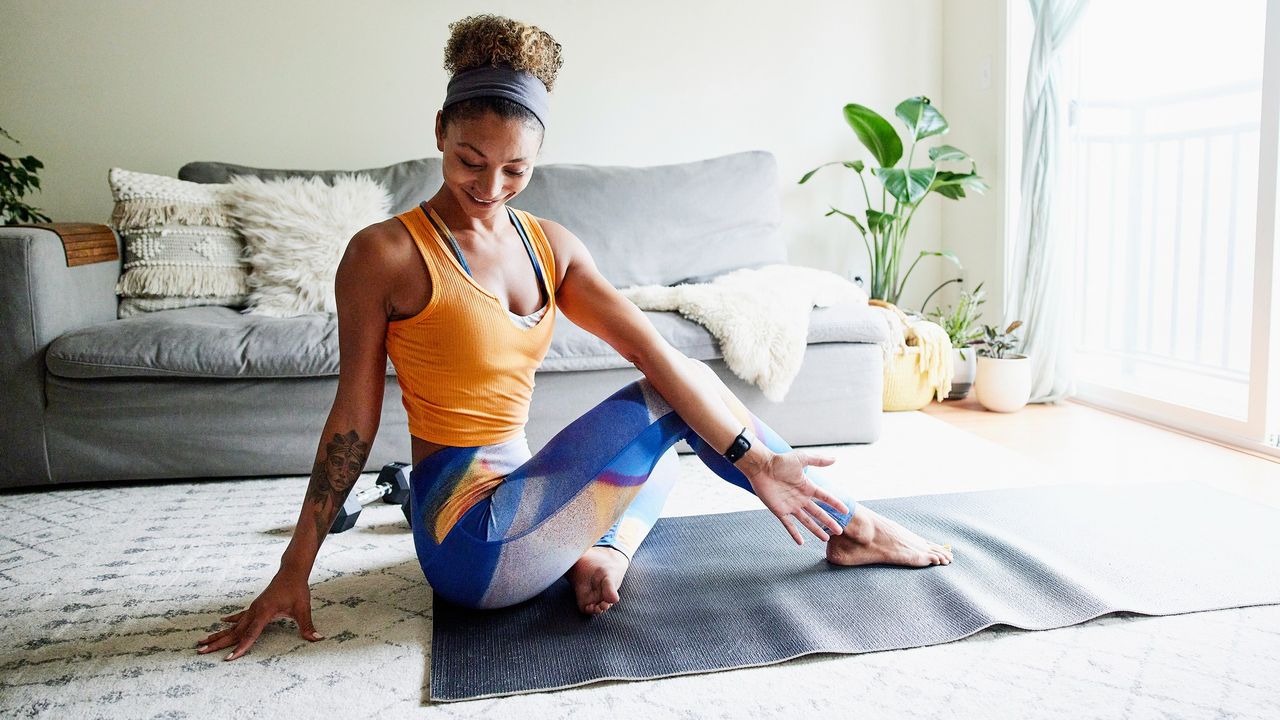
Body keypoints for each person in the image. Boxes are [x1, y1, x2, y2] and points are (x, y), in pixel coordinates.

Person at [197, 13, 952, 662]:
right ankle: (852, 528)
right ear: (440, 134)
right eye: (470, 161)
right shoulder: (385, 253)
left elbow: (659, 352)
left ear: (537, 158)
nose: (490, 188)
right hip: (471, 541)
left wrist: (754, 459)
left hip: (523, 511)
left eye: (515, 169)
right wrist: (296, 566)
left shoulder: (550, 246)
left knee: (682, 429)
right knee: (674, 410)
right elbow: (352, 420)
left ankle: (602, 553)